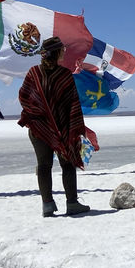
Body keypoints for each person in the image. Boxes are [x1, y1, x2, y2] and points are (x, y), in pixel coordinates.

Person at [18, 36, 91, 217]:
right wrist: (71, 126)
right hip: (58, 127)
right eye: (62, 50)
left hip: (38, 127)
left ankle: (48, 205)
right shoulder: (63, 75)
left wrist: (37, 115)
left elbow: (24, 97)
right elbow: (73, 104)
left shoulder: (34, 73)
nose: (64, 52)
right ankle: (72, 204)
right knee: (67, 163)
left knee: (44, 165)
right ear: (56, 52)